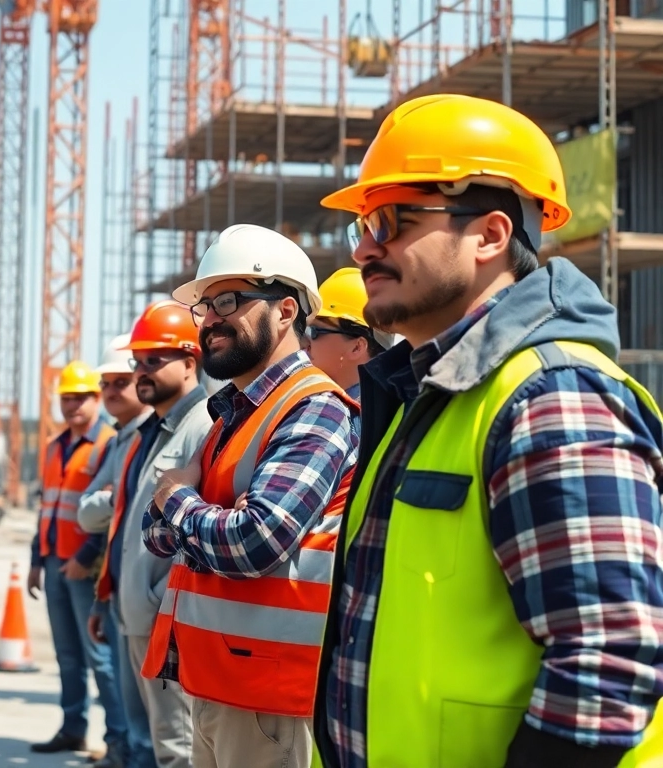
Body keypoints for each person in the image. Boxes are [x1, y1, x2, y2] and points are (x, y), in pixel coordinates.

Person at [313, 94, 663, 768]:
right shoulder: (426, 395)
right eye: (362, 223)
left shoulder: (550, 396)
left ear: (491, 235)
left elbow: (607, 660)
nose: (363, 248)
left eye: (390, 220)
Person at [141, 224, 358, 768]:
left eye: (228, 302)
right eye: (205, 306)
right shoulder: (233, 414)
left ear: (285, 311)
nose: (209, 320)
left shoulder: (313, 408)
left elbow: (254, 541)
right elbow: (154, 534)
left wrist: (177, 497)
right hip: (217, 683)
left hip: (268, 697)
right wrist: (203, 518)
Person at [91, 302, 212, 768]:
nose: (141, 370)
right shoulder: (157, 431)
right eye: (137, 361)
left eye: (154, 359)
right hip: (138, 613)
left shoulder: (202, 426)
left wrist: (161, 597)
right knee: (155, 742)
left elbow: (202, 523)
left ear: (189, 361)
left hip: (166, 618)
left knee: (177, 745)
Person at [27, 360, 128, 762]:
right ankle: (72, 729)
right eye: (67, 398)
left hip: (87, 567)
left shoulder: (108, 443)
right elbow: (47, 507)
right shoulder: (55, 446)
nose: (73, 405)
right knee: (67, 655)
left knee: (100, 657)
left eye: (81, 397)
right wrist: (37, 560)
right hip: (54, 562)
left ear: (96, 398)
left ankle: (119, 739)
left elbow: (111, 510)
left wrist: (86, 557)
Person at [77, 332, 152, 768]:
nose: (111, 392)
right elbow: (88, 513)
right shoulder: (121, 440)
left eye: (120, 382)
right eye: (105, 384)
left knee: (155, 724)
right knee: (126, 700)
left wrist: (111, 499)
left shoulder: (154, 437)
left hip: (148, 597)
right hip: (117, 588)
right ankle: (121, 749)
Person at [303, 267, 394, 400]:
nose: (305, 343)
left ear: (357, 347)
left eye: (315, 331)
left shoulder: (362, 410)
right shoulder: (378, 403)